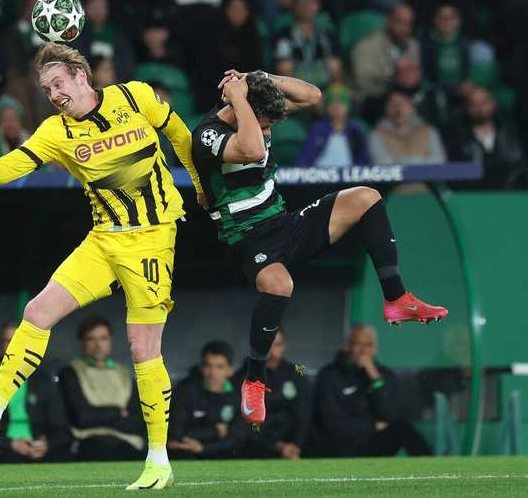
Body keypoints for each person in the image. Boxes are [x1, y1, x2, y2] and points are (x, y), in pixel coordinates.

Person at [0, 41, 203, 490]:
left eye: (58, 83)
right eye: (46, 88)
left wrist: (199, 184)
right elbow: (6, 169)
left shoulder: (134, 96)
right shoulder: (55, 132)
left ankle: (158, 459)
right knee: (36, 313)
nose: (53, 93)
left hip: (152, 238)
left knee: (142, 349)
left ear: (82, 76)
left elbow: (179, 135)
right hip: (102, 241)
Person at [190, 68, 448, 429]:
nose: (267, 131)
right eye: (264, 123)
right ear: (238, 108)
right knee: (280, 285)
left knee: (367, 198)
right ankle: (254, 380)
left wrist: (259, 76)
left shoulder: (255, 110)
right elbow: (250, 147)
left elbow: (312, 96)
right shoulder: (208, 135)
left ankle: (396, 299)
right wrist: (237, 96)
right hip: (246, 238)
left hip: (283, 223)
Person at [308, 325, 432, 457]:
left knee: (402, 426)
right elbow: (332, 423)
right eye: (358, 344)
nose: (363, 351)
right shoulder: (329, 375)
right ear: (347, 346)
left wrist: (374, 377)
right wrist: (372, 426)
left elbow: (388, 415)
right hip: (340, 443)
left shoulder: (385, 375)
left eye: (368, 345)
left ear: (375, 349)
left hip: (371, 442)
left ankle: (431, 469)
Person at [0, 319, 72, 464]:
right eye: (8, 342)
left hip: (39, 448)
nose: (13, 348)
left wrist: (46, 444)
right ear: (0, 346)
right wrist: (10, 444)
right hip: (2, 448)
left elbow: (61, 427)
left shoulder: (43, 379)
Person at [59, 316, 144, 461]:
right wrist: (119, 412)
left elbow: (137, 419)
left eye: (103, 338)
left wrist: (101, 416)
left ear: (110, 340)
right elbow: (82, 416)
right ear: (82, 342)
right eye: (91, 339)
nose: (98, 345)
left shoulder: (124, 373)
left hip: (128, 442)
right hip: (89, 442)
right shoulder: (70, 372)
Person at [232, 331, 311, 459]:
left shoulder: (297, 372)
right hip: (253, 450)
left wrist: (296, 444)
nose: (273, 352)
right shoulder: (241, 378)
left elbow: (305, 413)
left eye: (278, 345)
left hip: (294, 449)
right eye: (267, 346)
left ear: (284, 346)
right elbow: (242, 422)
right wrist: (276, 446)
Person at [168, 341, 247, 459]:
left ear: (230, 370)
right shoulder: (186, 393)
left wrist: (203, 448)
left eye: (219, 367)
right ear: (201, 368)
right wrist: (215, 431)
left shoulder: (240, 396)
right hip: (188, 455)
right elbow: (176, 433)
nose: (213, 373)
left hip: (226, 458)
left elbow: (238, 438)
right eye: (208, 365)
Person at [446, 86, 526, 189]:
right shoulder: (457, 139)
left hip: (510, 195)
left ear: (493, 104)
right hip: (472, 197)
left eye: (484, 102)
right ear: (467, 108)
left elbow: (519, 169)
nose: (479, 108)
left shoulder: (513, 135)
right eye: (473, 104)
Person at [351, 2, 419, 105]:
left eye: (408, 23)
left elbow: (414, 77)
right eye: (399, 22)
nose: (403, 28)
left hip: (405, 101)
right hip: (371, 101)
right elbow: (361, 81)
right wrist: (393, 78)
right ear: (389, 20)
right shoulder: (366, 46)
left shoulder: (413, 46)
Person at [295, 84, 370, 167]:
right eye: (332, 102)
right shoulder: (318, 129)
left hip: (350, 178)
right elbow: (304, 161)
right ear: (326, 107)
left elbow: (364, 162)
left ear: (348, 107)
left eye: (341, 102)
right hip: (320, 177)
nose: (336, 106)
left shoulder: (356, 130)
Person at [369, 89, 447, 165]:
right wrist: (417, 162)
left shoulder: (428, 131)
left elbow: (439, 160)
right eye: (393, 104)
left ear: (412, 108)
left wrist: (411, 163)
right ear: (386, 109)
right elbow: (382, 163)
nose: (398, 109)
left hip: (427, 178)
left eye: (402, 104)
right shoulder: (377, 134)